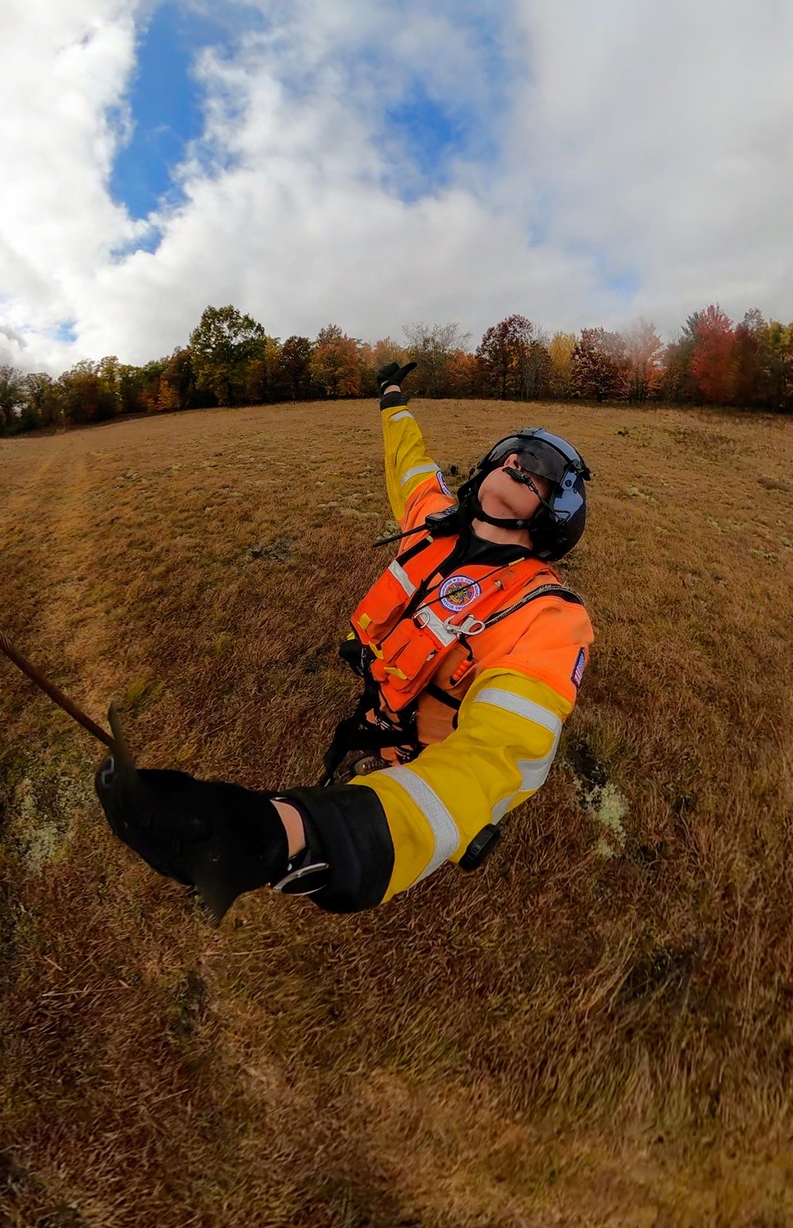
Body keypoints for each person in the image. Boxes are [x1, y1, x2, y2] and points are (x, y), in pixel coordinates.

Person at [95, 362, 594, 922]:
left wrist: (294, 831)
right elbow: (408, 458)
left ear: (562, 507)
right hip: (379, 707)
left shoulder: (550, 618)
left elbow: (496, 759)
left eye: (538, 466)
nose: (515, 462)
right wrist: (391, 394)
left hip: (425, 757)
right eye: (512, 450)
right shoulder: (433, 518)